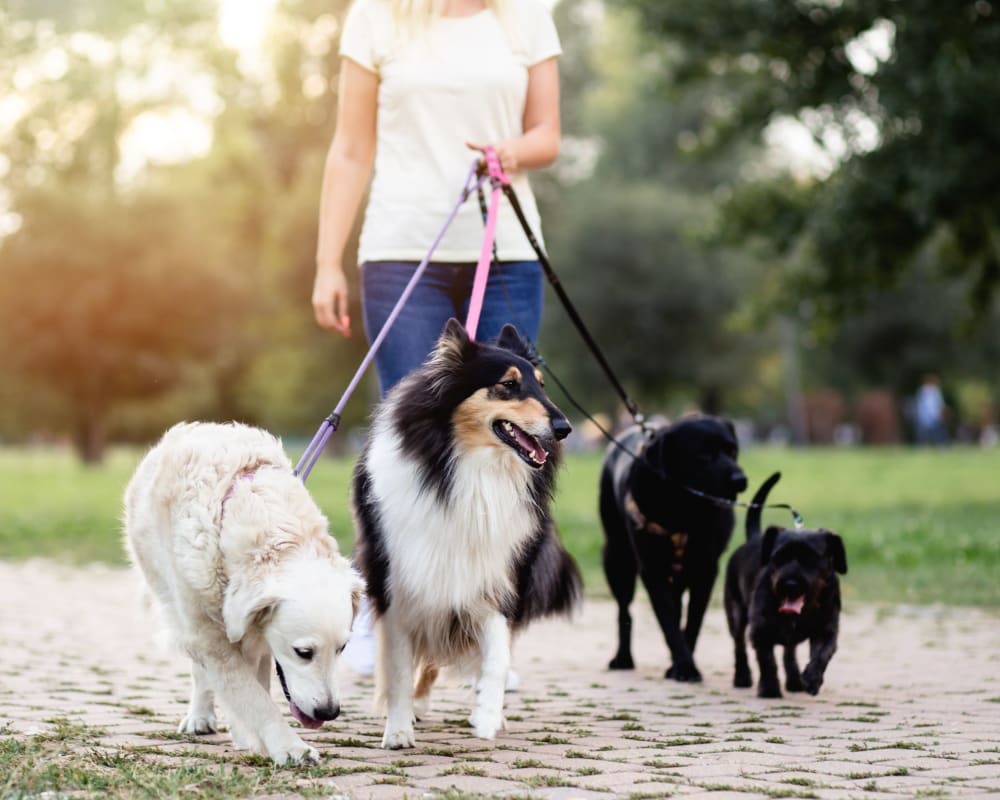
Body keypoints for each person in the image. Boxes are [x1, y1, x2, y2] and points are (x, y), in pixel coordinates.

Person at [311, 0, 562, 680]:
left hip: (505, 248)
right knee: (407, 445)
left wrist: (509, 151)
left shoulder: (527, 15)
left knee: (508, 445)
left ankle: (489, 632)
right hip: (400, 253)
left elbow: (548, 135)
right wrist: (327, 260)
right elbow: (350, 147)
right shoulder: (377, 17)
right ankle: (387, 616)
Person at [914, 374, 949, 445]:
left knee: (938, 433)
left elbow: (940, 404)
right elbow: (920, 405)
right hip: (924, 416)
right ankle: (923, 446)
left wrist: (940, 414)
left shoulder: (936, 391)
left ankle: (942, 445)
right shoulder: (922, 391)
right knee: (924, 434)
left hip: (935, 416)